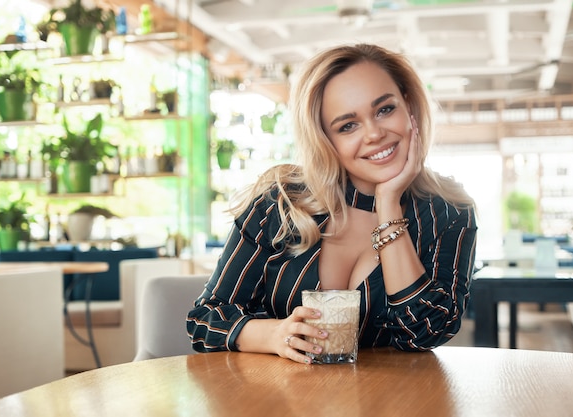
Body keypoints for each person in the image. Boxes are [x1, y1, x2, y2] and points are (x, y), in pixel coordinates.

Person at [187, 43, 477, 364]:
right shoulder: (280, 204)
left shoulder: (450, 212)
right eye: (348, 126)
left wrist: (389, 203)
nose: (374, 134)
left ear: (409, 106)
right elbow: (204, 320)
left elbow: (426, 332)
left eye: (384, 109)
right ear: (325, 139)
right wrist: (274, 334)